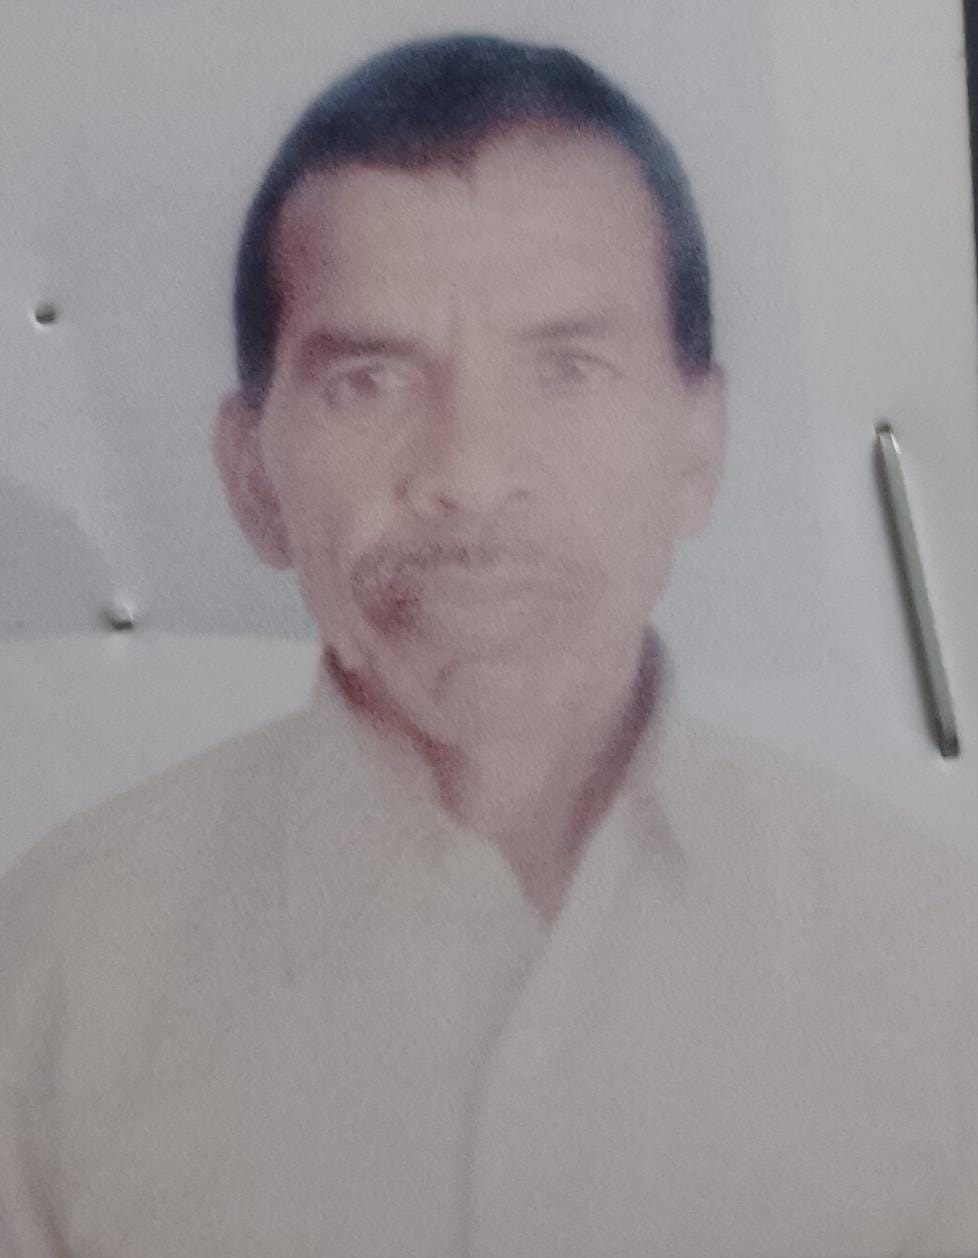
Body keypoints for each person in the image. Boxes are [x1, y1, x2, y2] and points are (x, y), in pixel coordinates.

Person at [2, 34, 977, 1257]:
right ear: (252, 476)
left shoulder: (935, 965)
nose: (468, 473)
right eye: (369, 381)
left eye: (568, 368)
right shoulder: (51, 973)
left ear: (698, 446)